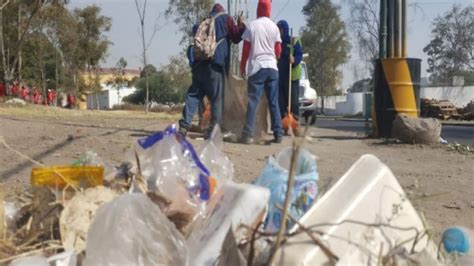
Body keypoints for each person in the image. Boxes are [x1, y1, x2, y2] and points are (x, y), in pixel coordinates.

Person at [178, 3, 246, 138]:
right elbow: (236, 37)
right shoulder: (226, 19)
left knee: (193, 95)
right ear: (222, 11)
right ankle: (214, 131)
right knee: (216, 98)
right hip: (216, 65)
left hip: (199, 65)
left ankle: (184, 126)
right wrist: (241, 24)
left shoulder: (205, 21)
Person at [239, 0, 283, 144]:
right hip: (272, 68)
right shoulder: (274, 27)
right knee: (273, 102)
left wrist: (242, 66)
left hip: (257, 68)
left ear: (258, 8)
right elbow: (278, 51)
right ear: (269, 9)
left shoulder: (252, 25)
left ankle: (247, 134)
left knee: (253, 102)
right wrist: (272, 57)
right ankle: (278, 133)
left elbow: (246, 49)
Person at [277, 20, 303, 121]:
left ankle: (295, 125)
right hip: (281, 77)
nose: (278, 31)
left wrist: (294, 60)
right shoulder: (277, 42)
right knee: (281, 103)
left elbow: (299, 54)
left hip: (292, 77)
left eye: (280, 29)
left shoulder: (294, 40)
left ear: (284, 29)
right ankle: (284, 125)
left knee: (293, 102)